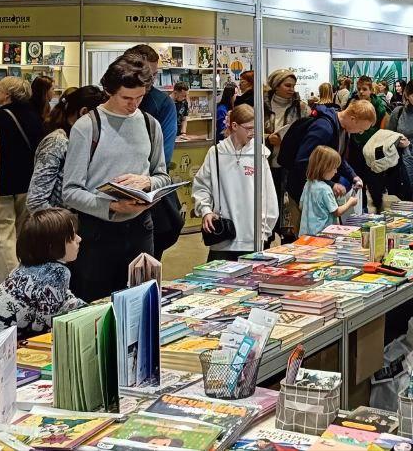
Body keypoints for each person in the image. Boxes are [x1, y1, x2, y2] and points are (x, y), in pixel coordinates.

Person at [61, 56, 170, 302]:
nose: (134, 105)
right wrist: (110, 206)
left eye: (140, 97)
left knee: (141, 302)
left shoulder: (150, 124)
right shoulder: (87, 127)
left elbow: (163, 175)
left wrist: (148, 183)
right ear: (110, 91)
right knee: (96, 306)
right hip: (97, 232)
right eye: (126, 98)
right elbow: (70, 191)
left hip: (141, 227)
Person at [0, 207, 86, 341]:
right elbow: (43, 324)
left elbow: (64, 297)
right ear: (51, 246)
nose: (79, 239)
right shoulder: (57, 273)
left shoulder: (27, 267)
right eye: (71, 237)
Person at [193, 104, 279, 261]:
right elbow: (202, 186)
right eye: (249, 128)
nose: (253, 133)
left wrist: (265, 230)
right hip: (222, 237)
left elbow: (269, 196)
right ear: (234, 126)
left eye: (255, 128)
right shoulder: (216, 153)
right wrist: (206, 210)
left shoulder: (259, 154)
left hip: (253, 238)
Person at [126, 45, 182, 260]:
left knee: (145, 265)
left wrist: (142, 182)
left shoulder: (162, 103)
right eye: (145, 73)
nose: (149, 80)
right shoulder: (100, 111)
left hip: (146, 199)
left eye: (154, 74)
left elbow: (162, 161)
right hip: (106, 207)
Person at [0, 76, 47, 281]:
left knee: (3, 234)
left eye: (0, 89)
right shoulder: (35, 116)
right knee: (22, 233)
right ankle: (27, 275)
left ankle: (13, 281)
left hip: (4, 182)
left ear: (7, 94)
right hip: (29, 181)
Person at [284, 99, 374, 213]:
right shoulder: (324, 129)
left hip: (318, 192)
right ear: (353, 119)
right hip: (304, 192)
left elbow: (338, 158)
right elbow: (303, 161)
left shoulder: (343, 129)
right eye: (361, 129)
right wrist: (330, 184)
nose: (360, 133)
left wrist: (353, 176)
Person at [28, 86, 105, 213]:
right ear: (84, 112)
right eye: (101, 117)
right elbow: (36, 201)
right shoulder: (57, 142)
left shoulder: (79, 139)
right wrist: (67, 222)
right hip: (60, 222)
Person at [263, 69, 309, 238]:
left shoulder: (301, 108)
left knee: (289, 210)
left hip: (290, 165)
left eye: (293, 86)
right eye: (287, 85)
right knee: (266, 205)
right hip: (266, 164)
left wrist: (288, 141)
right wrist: (268, 138)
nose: (292, 89)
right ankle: (266, 238)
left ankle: (288, 241)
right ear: (276, 86)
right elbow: (250, 133)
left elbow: (307, 134)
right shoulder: (261, 106)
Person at [347, 76, 389, 212]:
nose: (361, 92)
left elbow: (383, 128)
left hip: (373, 151)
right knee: (358, 183)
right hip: (356, 149)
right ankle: (362, 210)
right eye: (359, 89)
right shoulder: (352, 104)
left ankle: (378, 209)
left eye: (364, 89)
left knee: (375, 185)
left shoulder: (379, 106)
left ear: (371, 90)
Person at [299, 146, 360, 236]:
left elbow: (301, 205)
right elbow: (337, 212)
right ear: (325, 168)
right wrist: (350, 202)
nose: (336, 172)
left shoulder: (308, 184)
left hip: (306, 234)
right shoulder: (325, 189)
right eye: (334, 168)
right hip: (322, 235)